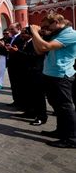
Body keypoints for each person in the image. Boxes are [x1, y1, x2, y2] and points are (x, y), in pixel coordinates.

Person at [31, 14, 76, 148]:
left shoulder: (70, 34)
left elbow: (45, 47)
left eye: (47, 26)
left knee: (65, 107)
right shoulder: (57, 34)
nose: (46, 29)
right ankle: (61, 132)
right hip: (50, 74)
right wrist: (35, 35)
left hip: (61, 76)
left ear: (56, 22)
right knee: (57, 107)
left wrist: (34, 32)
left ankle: (71, 138)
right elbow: (39, 50)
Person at [19, 27, 47, 125]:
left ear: (30, 34)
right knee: (30, 94)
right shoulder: (26, 42)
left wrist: (17, 52)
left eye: (23, 33)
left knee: (39, 96)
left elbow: (33, 56)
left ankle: (41, 117)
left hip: (36, 72)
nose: (21, 35)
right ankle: (31, 112)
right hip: (28, 72)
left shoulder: (35, 42)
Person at [6, 22, 26, 108]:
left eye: (12, 29)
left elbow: (21, 50)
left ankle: (21, 102)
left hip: (18, 64)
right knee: (13, 83)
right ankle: (16, 100)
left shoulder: (21, 37)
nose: (10, 30)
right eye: (9, 29)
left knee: (19, 84)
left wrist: (13, 50)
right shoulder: (11, 38)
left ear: (18, 28)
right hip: (11, 63)